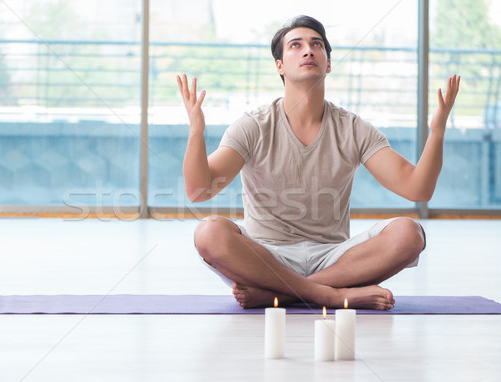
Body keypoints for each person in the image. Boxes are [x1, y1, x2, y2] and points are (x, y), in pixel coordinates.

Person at [176, 15, 460, 310]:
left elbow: (418, 189)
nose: (308, 51)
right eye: (296, 45)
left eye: (317, 45)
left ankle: (284, 295)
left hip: (336, 258)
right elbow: (200, 190)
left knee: (408, 233)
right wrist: (196, 131)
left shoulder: (352, 128)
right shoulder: (253, 125)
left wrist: (437, 132)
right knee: (209, 232)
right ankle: (328, 295)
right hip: (266, 258)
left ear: (328, 63)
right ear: (280, 66)